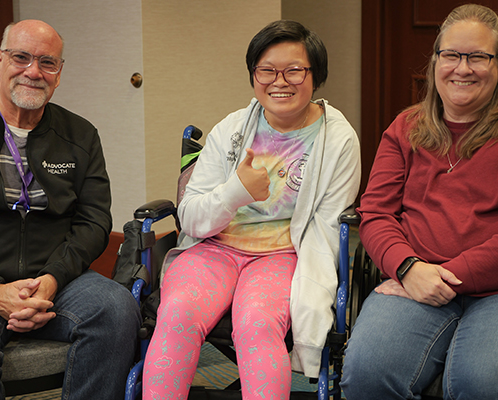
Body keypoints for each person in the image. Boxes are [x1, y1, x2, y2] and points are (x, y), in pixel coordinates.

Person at [143, 20, 360, 400]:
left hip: (282, 255)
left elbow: (327, 226)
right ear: (253, 75)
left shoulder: (338, 139)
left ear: (315, 74)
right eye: (266, 70)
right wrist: (235, 193)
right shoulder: (230, 130)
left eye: (294, 69)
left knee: (256, 323)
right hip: (213, 248)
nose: (280, 81)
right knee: (177, 314)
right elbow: (190, 215)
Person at [341, 4, 498, 400]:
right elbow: (377, 214)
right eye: (450, 55)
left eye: (478, 57)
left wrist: (441, 276)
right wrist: (407, 266)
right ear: (435, 61)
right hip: (415, 280)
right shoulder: (405, 128)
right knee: (367, 373)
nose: (462, 68)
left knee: (483, 384)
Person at [0, 20, 141, 399]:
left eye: (47, 62)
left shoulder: (80, 135)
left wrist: (52, 279)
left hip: (59, 281)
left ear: (59, 74)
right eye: (21, 57)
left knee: (116, 309)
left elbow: (94, 221)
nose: (33, 71)